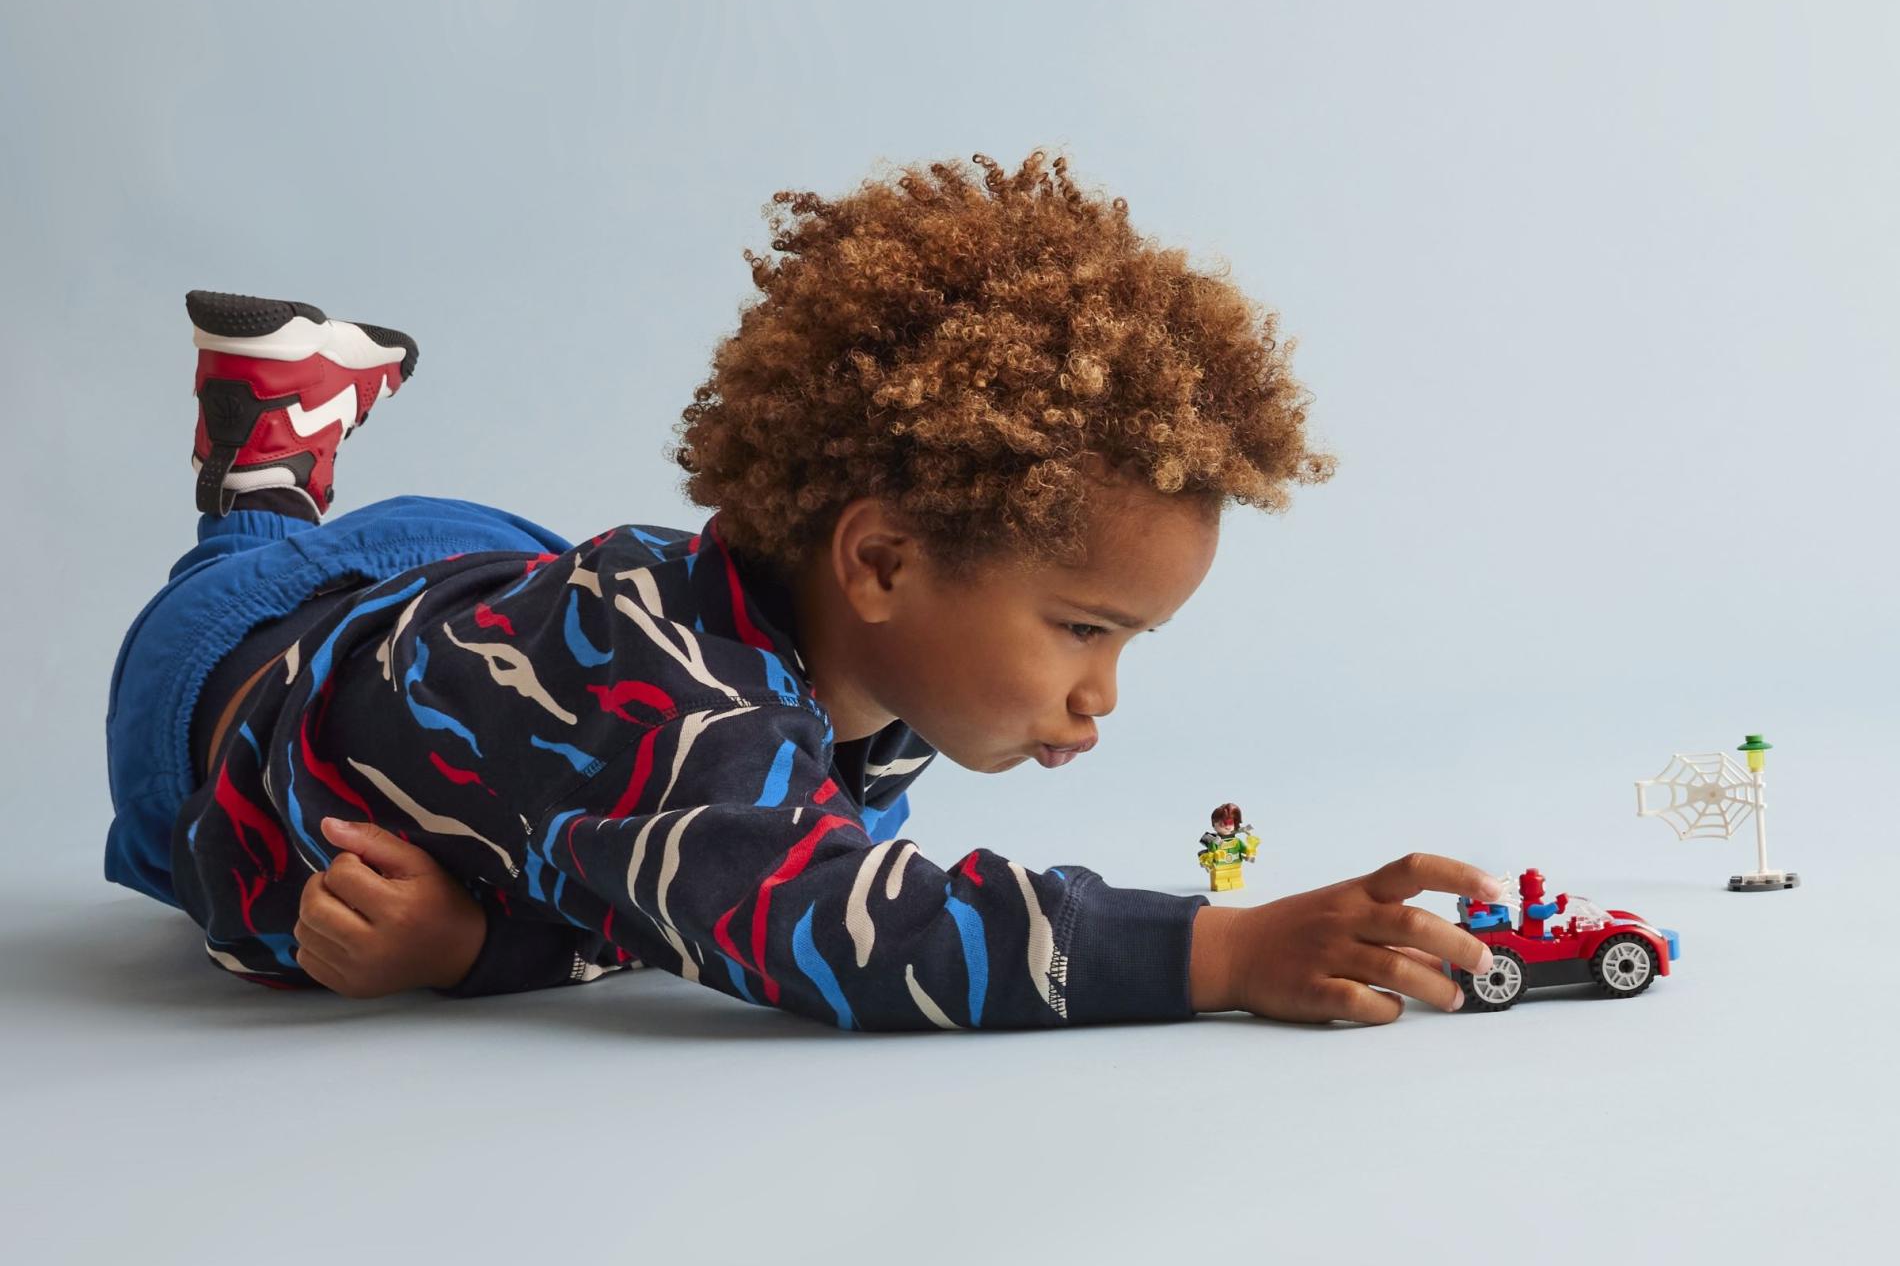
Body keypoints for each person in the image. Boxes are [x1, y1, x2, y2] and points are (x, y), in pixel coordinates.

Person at [103, 150, 1505, 1030]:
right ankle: (258, 491)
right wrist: (1225, 948)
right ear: (880, 562)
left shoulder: (847, 668)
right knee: (265, 585)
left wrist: (483, 940)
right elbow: (845, 930)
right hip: (222, 691)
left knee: (548, 646)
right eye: (1085, 630)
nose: (1101, 695)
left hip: (472, 576)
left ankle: (284, 427)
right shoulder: (697, 728)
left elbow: (658, 878)